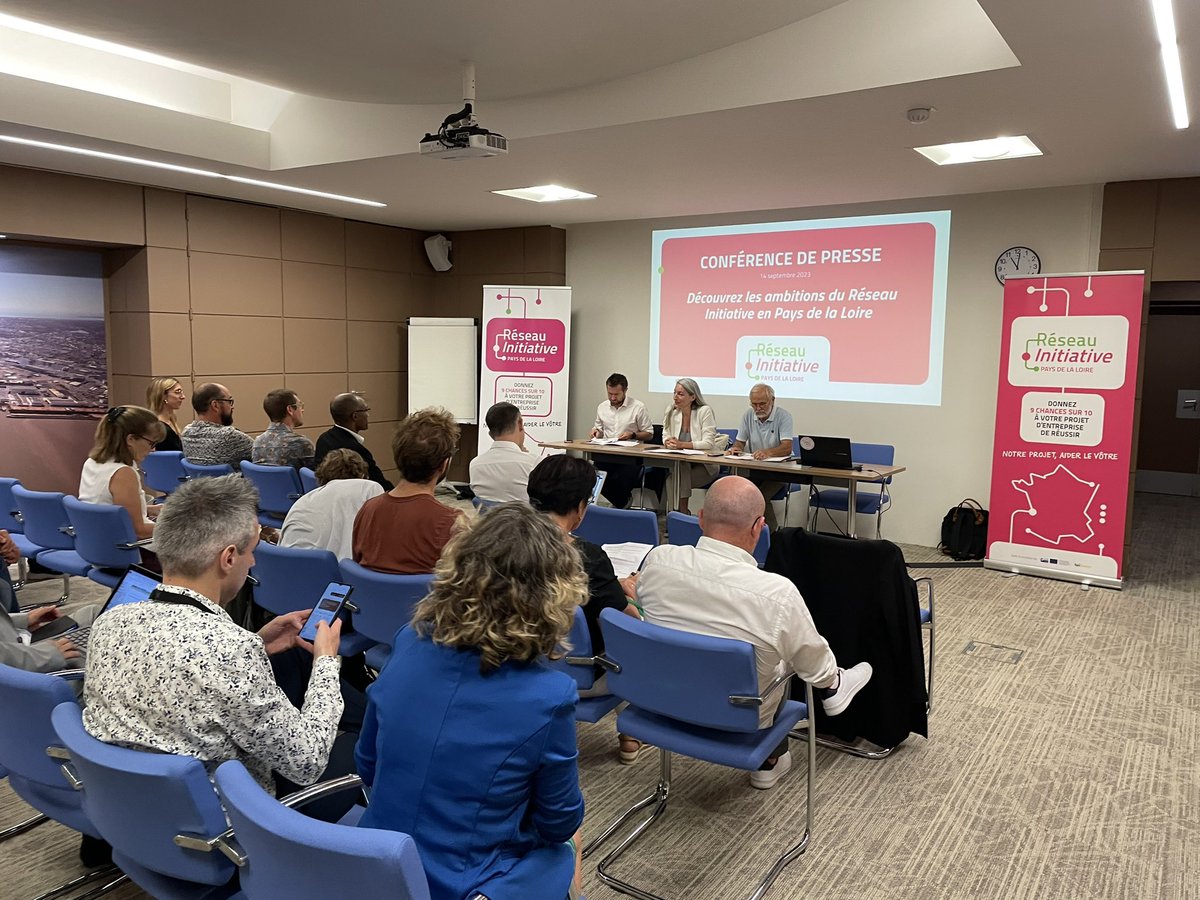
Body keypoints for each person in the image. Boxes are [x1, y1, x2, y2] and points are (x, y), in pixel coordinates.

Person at [355, 504, 586, 900]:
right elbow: (558, 823)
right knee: (572, 844)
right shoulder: (550, 697)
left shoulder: (408, 642)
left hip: (376, 861)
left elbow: (368, 764)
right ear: (553, 596)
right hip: (464, 886)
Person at [83, 475, 346, 797]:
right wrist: (326, 662)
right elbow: (308, 763)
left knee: (289, 666)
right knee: (358, 749)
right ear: (229, 557)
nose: (253, 562)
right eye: (251, 552)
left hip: (129, 805)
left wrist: (258, 644)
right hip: (228, 823)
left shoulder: (110, 621)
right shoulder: (229, 650)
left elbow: (179, 670)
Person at [633, 476, 872, 790]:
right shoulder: (776, 593)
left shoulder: (658, 561)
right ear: (759, 527)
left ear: (700, 518)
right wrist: (828, 677)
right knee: (786, 658)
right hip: (738, 715)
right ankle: (776, 750)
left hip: (660, 700)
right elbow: (811, 665)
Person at [527, 455, 645, 763]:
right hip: (577, 675)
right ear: (580, 508)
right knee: (633, 641)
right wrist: (633, 597)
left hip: (516, 664)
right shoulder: (588, 557)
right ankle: (630, 735)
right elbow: (628, 625)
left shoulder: (505, 545)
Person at [352, 407, 464, 574]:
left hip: (371, 599)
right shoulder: (451, 523)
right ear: (444, 464)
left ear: (398, 456)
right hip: (425, 600)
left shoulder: (367, 510)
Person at [0, 530, 91, 671]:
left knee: (92, 613)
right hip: (22, 674)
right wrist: (48, 655)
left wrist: (22, 620)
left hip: (16, 646)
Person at [78, 406, 164, 554]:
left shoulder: (93, 462)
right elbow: (139, 531)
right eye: (151, 443)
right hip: (125, 552)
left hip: (97, 548)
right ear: (131, 439)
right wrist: (180, 527)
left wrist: (150, 510)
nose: (153, 450)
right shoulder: (123, 473)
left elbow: (107, 508)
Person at [280, 449, 383, 560]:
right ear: (362, 475)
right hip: (333, 572)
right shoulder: (368, 488)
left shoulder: (303, 501)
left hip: (289, 568)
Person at [726, 383, 795, 529]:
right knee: (737, 493)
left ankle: (771, 535)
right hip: (755, 468)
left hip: (780, 471)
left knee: (760, 497)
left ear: (772, 400)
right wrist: (735, 449)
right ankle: (743, 531)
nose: (758, 408)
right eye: (754, 404)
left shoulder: (784, 416)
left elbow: (787, 448)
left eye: (762, 404)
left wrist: (767, 452)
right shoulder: (748, 415)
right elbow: (740, 442)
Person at [588, 373, 653, 509]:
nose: (612, 397)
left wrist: (633, 435)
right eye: (610, 393)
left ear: (625, 391)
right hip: (607, 452)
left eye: (616, 394)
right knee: (592, 476)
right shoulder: (602, 407)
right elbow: (598, 429)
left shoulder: (638, 407)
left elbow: (649, 434)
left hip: (630, 455)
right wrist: (596, 432)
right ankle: (622, 503)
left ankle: (620, 504)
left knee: (623, 478)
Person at [662, 378, 725, 515]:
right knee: (674, 475)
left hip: (705, 466)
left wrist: (681, 445)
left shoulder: (704, 411)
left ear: (692, 396)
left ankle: (679, 513)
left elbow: (708, 443)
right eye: (674, 393)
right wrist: (668, 441)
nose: (675, 397)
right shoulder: (672, 411)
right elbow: (665, 433)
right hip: (683, 465)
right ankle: (679, 513)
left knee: (674, 479)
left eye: (680, 394)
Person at [314, 392, 393, 490]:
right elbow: (381, 486)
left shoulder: (323, 439)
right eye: (366, 410)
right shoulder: (355, 450)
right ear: (355, 416)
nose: (368, 415)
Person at [469, 401, 538, 503]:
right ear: (520, 424)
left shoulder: (474, 465)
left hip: (490, 519)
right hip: (525, 519)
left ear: (490, 434)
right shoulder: (534, 464)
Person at [181, 383, 254, 467]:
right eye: (229, 401)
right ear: (215, 405)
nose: (232, 407)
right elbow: (263, 454)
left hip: (199, 480)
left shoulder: (186, 433)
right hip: (230, 480)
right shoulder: (229, 436)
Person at [251, 388, 315, 468]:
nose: (302, 410)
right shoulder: (302, 443)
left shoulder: (257, 442)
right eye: (299, 406)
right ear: (290, 410)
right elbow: (314, 478)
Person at [145, 376, 186, 453]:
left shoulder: (170, 421)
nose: (183, 397)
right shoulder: (159, 428)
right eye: (177, 392)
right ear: (163, 396)